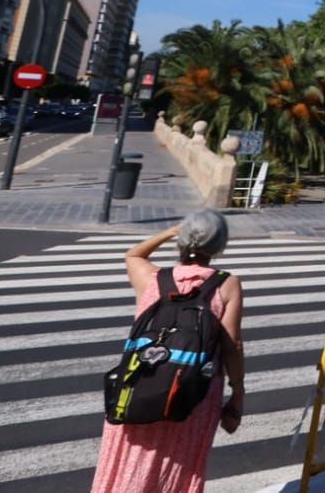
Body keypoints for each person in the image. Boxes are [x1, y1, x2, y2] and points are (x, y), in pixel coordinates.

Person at [92, 211, 245, 493]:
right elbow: (232, 345)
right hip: (192, 395)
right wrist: (237, 395)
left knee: (129, 461)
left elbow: (133, 255)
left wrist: (170, 231)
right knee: (180, 466)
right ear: (220, 246)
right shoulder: (226, 284)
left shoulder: (153, 278)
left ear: (183, 239)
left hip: (137, 388)